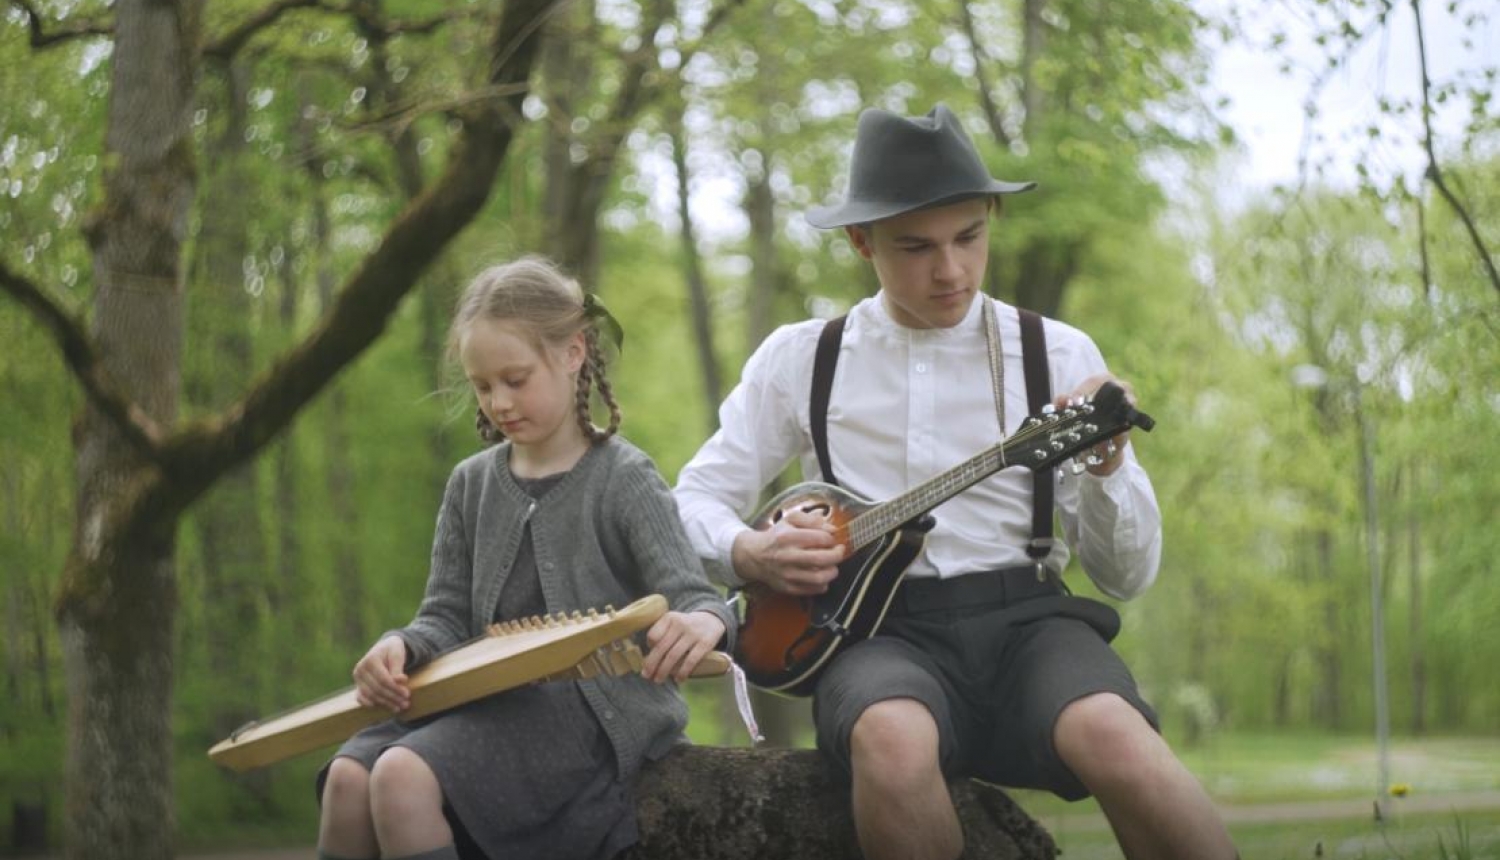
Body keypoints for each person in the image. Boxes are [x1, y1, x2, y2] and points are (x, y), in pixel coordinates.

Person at [673, 105, 1235, 860]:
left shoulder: (1056, 353)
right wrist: (748, 553)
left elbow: (1126, 577)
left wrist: (1108, 464)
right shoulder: (804, 358)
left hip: (1029, 624)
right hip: (874, 635)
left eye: (970, 238)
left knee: (1116, 734)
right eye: (917, 247)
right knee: (893, 739)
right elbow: (691, 500)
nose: (951, 270)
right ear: (859, 240)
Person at [316, 256, 736, 860]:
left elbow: (696, 597)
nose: (499, 403)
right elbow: (443, 618)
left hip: (591, 713)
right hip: (478, 701)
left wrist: (705, 622)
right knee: (348, 780)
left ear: (572, 354)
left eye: (515, 379)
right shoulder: (471, 483)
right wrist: (399, 647)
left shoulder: (624, 476)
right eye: (483, 387)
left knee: (400, 776)